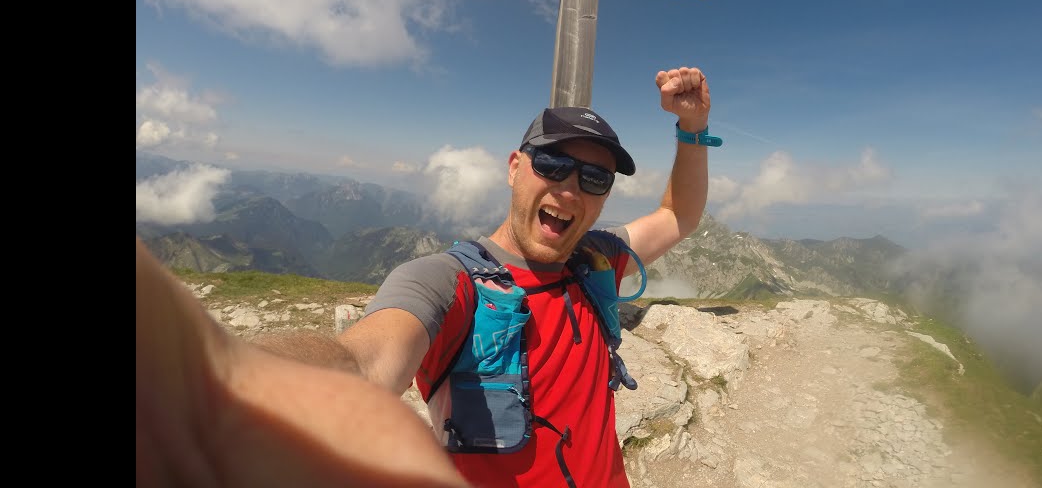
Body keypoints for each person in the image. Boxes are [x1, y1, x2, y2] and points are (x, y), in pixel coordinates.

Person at [250, 65, 715, 488]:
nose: (570, 190)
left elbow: (679, 215)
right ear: (515, 168)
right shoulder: (446, 281)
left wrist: (692, 127)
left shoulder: (595, 260)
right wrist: (246, 388)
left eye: (595, 179)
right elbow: (364, 361)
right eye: (552, 165)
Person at [134, 235, 471, 487]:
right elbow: (369, 356)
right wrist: (224, 389)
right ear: (513, 167)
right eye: (528, 158)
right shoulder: (444, 276)